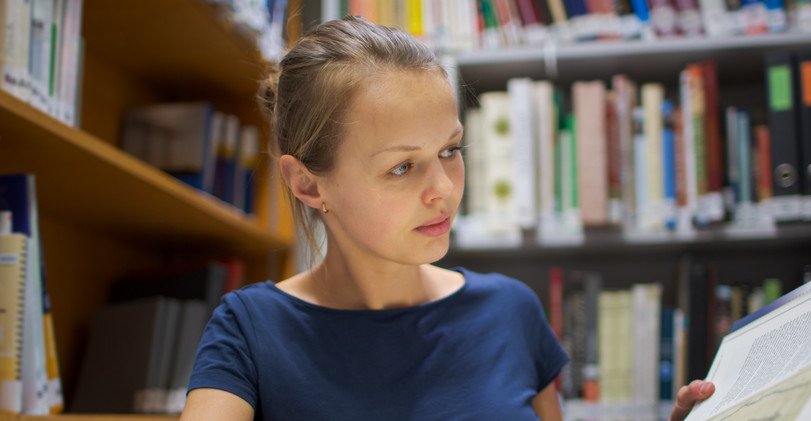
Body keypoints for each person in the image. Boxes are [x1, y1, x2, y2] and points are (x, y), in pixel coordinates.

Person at [180, 16, 714, 421]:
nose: (443, 190)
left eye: (451, 151)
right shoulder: (249, 332)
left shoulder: (510, 311)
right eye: (402, 167)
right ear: (307, 184)